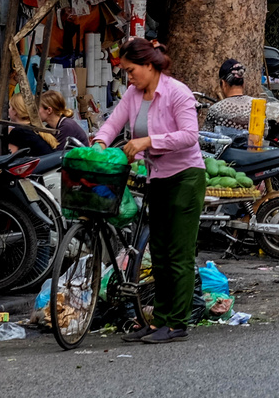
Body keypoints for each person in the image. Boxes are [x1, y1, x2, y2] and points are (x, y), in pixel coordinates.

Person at [93, 38, 205, 343]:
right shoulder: (133, 94)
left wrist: (148, 141)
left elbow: (189, 136)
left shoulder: (176, 92)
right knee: (158, 253)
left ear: (149, 65)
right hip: (157, 178)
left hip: (185, 178)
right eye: (126, 73)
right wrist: (100, 143)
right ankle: (160, 321)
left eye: (131, 71)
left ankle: (177, 323)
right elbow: (112, 123)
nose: (129, 78)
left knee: (177, 253)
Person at [203, 59, 254, 130]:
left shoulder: (215, 110)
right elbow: (265, 132)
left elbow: (206, 137)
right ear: (243, 84)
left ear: (223, 83)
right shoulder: (256, 106)